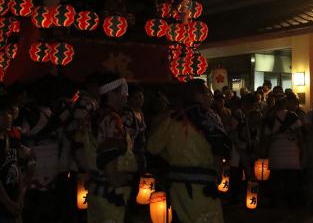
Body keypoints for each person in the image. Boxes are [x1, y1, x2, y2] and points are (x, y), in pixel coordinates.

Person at [147, 79, 230, 223]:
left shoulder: (172, 119)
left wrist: (173, 159)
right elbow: (221, 146)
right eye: (206, 92)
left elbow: (152, 147)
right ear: (197, 96)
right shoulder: (206, 118)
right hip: (202, 185)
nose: (210, 96)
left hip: (178, 187)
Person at [86, 73, 138, 223]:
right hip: (111, 193)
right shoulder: (111, 119)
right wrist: (121, 178)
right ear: (111, 93)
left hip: (96, 189)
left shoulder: (94, 115)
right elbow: (110, 160)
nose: (126, 96)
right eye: (123, 92)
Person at [262, 96, 303, 207]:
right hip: (291, 153)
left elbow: (266, 137)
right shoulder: (293, 116)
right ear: (286, 104)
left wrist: (264, 152)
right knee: (291, 181)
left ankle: (277, 202)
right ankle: (291, 203)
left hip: (275, 153)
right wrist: (302, 150)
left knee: (276, 180)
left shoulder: (271, 117)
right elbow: (300, 135)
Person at [0, 93, 33, 223]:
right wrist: (8, 203)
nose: (9, 117)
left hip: (13, 202)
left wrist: (20, 197)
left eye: (9, 113)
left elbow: (17, 166)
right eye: (3, 114)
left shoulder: (12, 138)